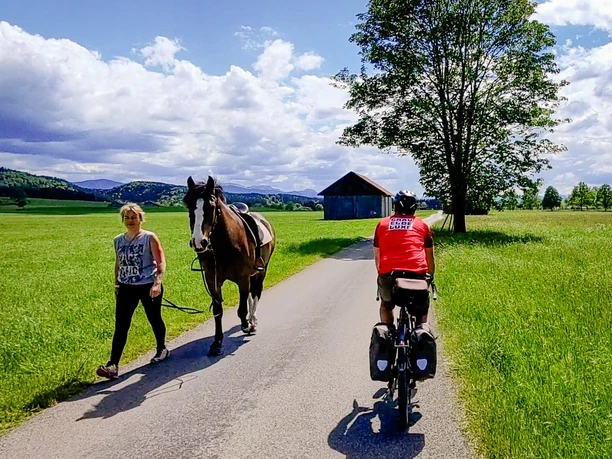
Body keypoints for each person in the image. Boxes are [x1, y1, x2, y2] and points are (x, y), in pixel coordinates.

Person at [96, 203, 169, 380]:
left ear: (140, 218)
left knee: (154, 318)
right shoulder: (118, 240)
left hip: (147, 285)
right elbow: (118, 264)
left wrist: (157, 283)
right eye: (127, 217)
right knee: (121, 325)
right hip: (126, 287)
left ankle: (162, 349)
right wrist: (116, 285)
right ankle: (112, 365)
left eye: (133, 217)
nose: (130, 221)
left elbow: (160, 262)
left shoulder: (149, 237)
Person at [373, 190, 436, 328]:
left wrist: (381, 273)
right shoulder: (422, 225)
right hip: (417, 275)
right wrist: (430, 275)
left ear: (395, 206)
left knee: (386, 305)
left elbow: (377, 255)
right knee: (421, 308)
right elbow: (429, 254)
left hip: (389, 274)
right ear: (414, 208)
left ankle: (387, 331)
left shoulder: (382, 224)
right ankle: (421, 330)